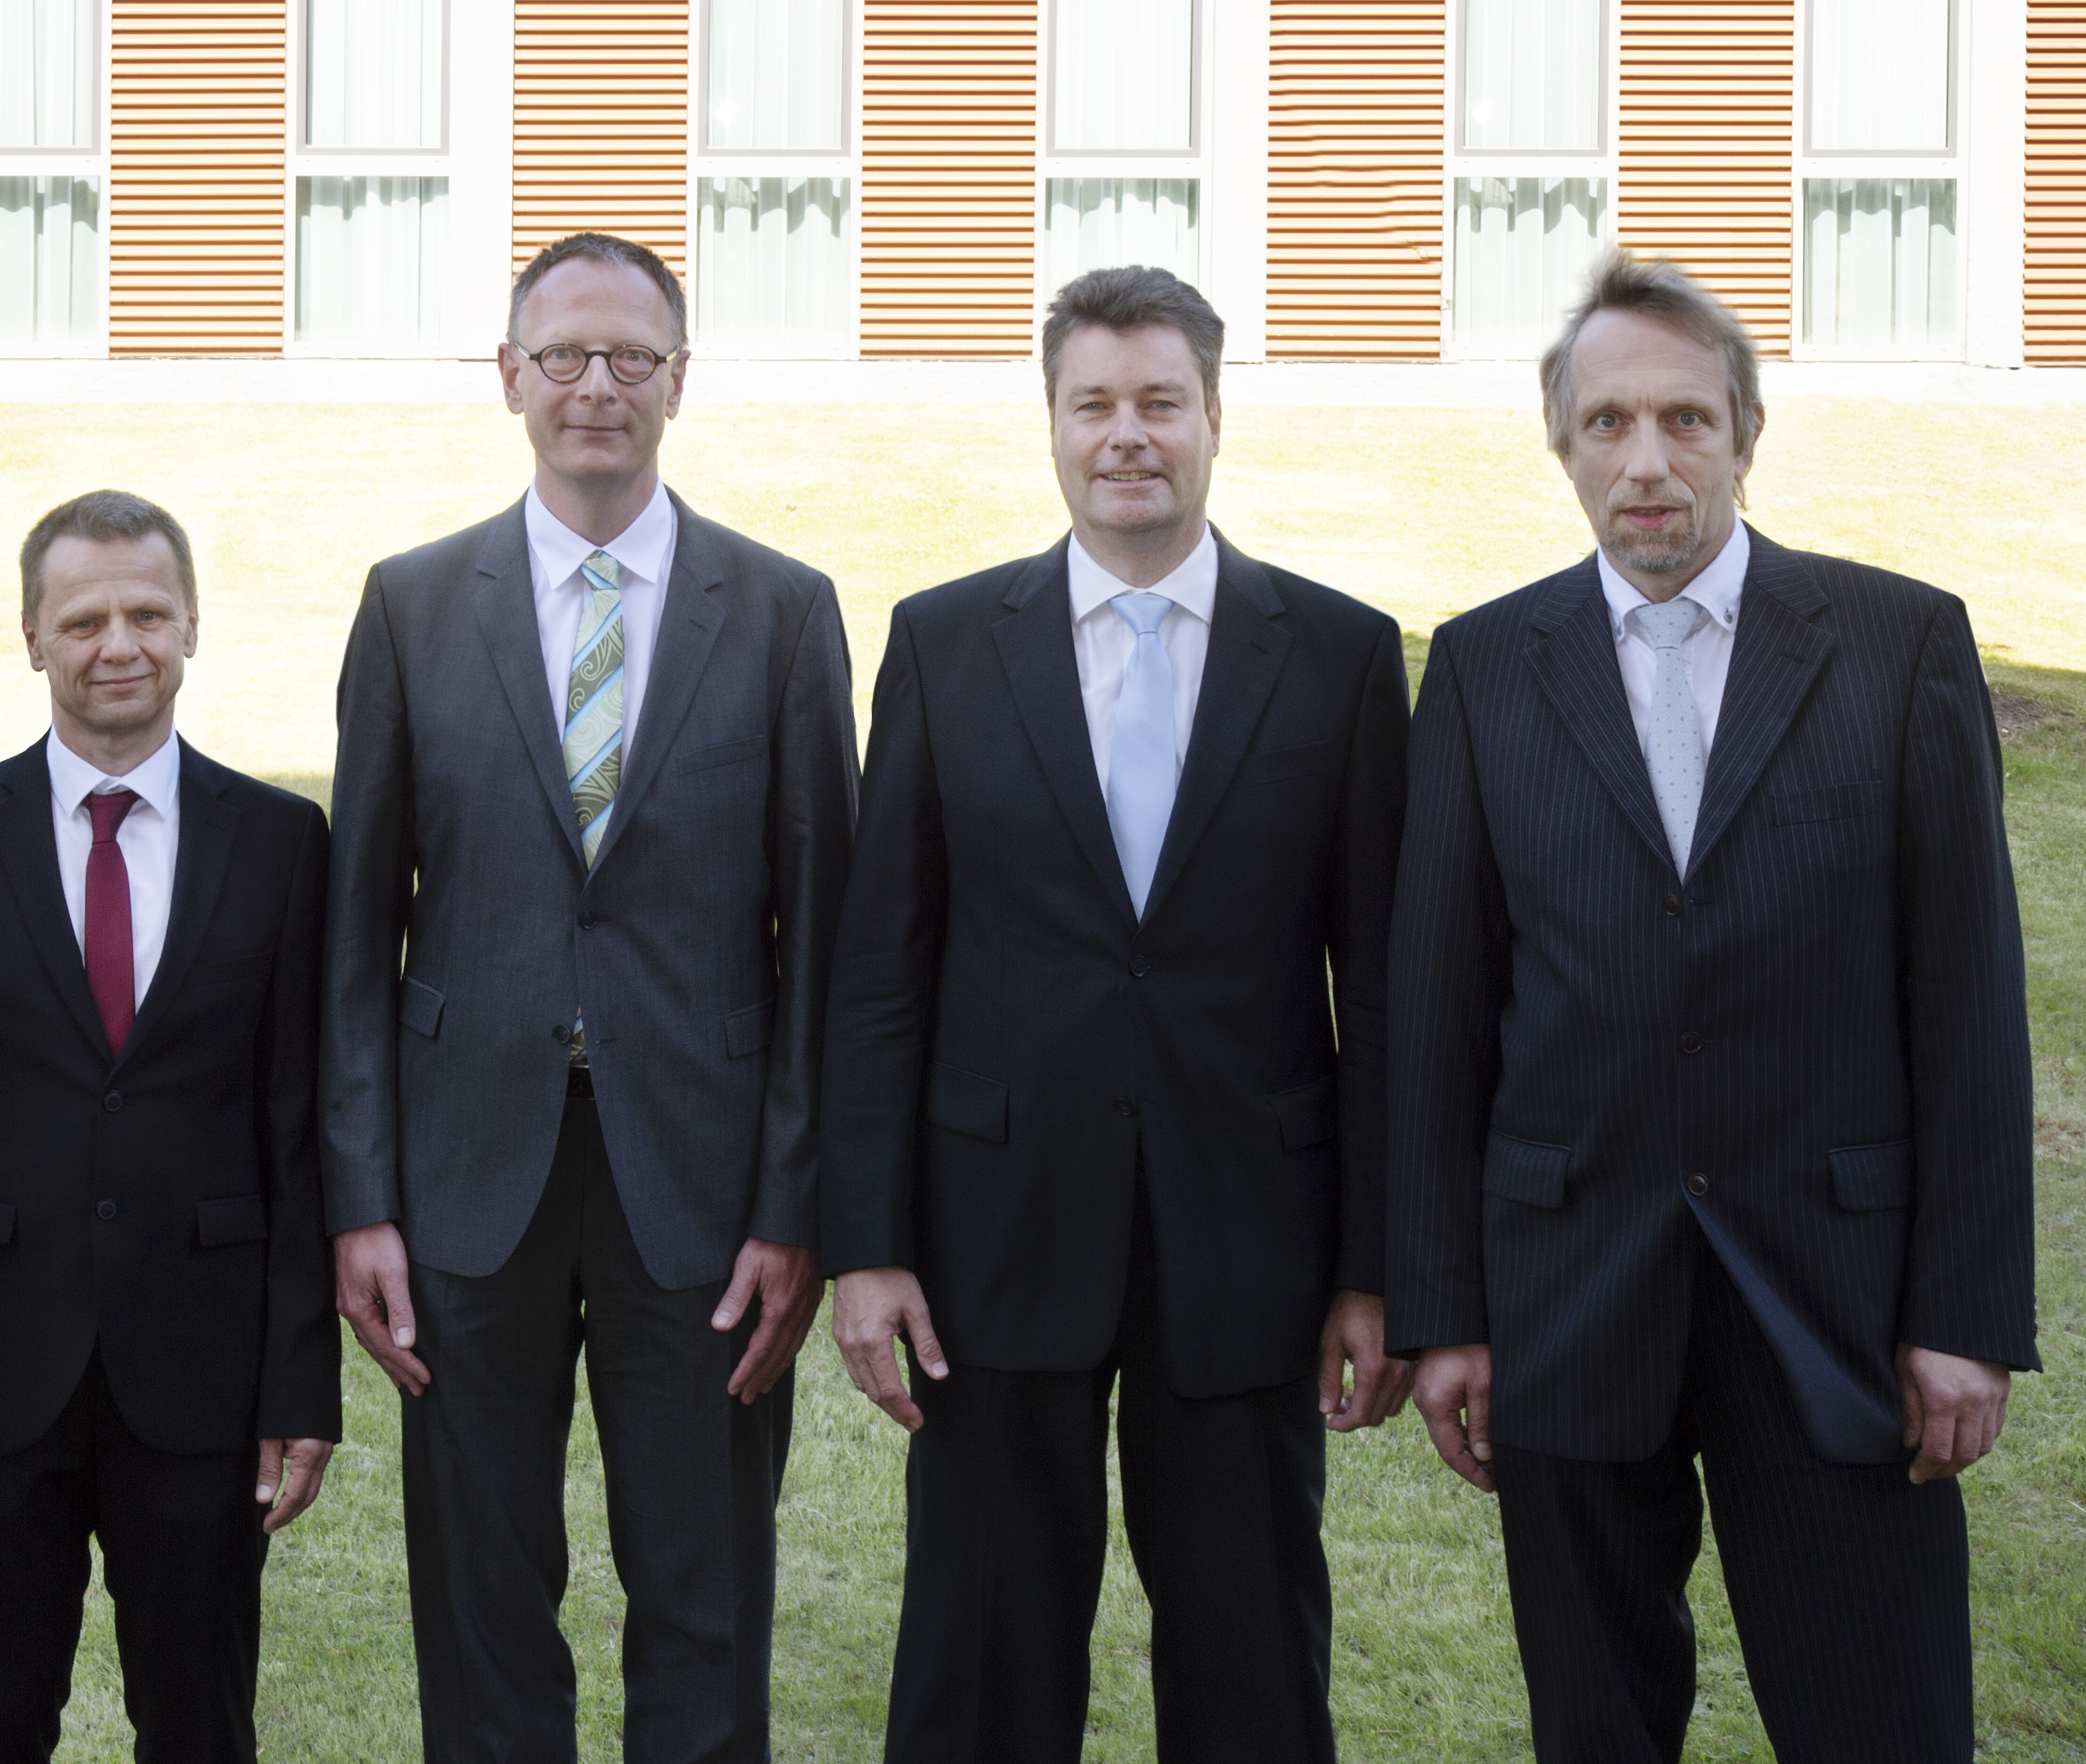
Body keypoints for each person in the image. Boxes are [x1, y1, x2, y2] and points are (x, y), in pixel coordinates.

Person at [1388, 251, 2036, 1764]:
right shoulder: (1482, 667)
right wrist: (1444, 1312)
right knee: (1596, 1729)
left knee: (1880, 1723)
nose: (1646, 462)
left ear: (1746, 432)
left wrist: (1963, 1314)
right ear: (1560, 445)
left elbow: (1966, 1003)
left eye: (1684, 418)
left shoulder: (1897, 647)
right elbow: (1435, 1015)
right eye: (1606, 422)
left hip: (1836, 1299)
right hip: (1568, 1292)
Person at [818, 265, 1413, 1762]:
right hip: (995, 1228)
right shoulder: (946, 640)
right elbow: (881, 969)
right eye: (1093, 404)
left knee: (1250, 1651)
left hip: (1249, 1233)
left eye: (1160, 401)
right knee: (981, 1651)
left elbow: (1381, 994)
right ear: (1052, 423)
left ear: (1214, 416)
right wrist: (866, 1244)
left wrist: (1375, 1263)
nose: (1126, 434)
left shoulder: (1338, 654)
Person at [321, 231, 860, 1762]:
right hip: (464, 1178)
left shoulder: (782, 610)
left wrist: (794, 1202)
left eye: (632, 356)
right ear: (509, 376)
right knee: (481, 1594)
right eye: (563, 354)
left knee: (704, 1590)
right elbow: (356, 934)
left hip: (702, 1185)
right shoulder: (413, 605)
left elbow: (824, 940)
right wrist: (362, 1198)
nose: (597, 386)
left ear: (680, 379)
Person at [0, 490, 340, 1762]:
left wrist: (299, 1382)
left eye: (146, 614)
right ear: (32, 638)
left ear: (192, 627)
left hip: (204, 1369)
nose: (117, 643)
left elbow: (300, 1137)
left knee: (200, 1722)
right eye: (82, 620)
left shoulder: (284, 842)